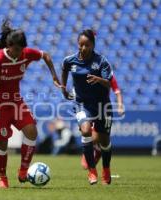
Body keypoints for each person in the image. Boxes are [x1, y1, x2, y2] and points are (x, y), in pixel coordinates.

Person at [0, 20, 61, 188]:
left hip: (15, 101)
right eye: (16, 49)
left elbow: (46, 56)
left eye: (21, 50)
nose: (18, 53)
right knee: (2, 143)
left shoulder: (26, 53)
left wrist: (54, 77)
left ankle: (23, 170)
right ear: (9, 45)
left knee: (32, 132)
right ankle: (2, 177)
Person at [61, 29, 113, 185]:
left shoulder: (101, 61)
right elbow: (64, 69)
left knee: (104, 141)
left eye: (87, 45)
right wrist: (64, 88)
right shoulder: (70, 60)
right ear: (78, 44)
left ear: (93, 45)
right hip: (82, 103)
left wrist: (98, 79)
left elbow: (109, 83)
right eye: (81, 45)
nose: (84, 48)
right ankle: (92, 171)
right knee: (85, 130)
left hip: (102, 104)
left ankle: (106, 169)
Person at [81, 74, 125, 169]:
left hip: (104, 108)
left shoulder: (109, 76)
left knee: (101, 137)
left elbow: (117, 91)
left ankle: (98, 150)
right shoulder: (87, 73)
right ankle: (94, 149)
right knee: (87, 131)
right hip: (90, 107)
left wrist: (120, 106)